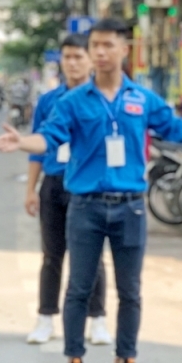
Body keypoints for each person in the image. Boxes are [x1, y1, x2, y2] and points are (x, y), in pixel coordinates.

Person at [0, 18, 182, 363]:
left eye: (108, 45)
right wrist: (23, 143)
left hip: (130, 208)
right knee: (79, 287)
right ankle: (73, 362)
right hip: (86, 207)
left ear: (125, 50)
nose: (101, 52)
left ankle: (126, 361)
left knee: (131, 291)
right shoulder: (73, 102)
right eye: (96, 45)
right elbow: (49, 138)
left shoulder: (141, 100)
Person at [25, 34, 110, 346]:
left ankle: (97, 319)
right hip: (55, 184)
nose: (73, 63)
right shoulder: (49, 101)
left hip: (87, 187)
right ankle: (45, 317)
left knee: (91, 257)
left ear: (90, 60)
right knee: (52, 254)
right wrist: (31, 190)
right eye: (67, 57)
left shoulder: (103, 99)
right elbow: (37, 147)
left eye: (78, 57)